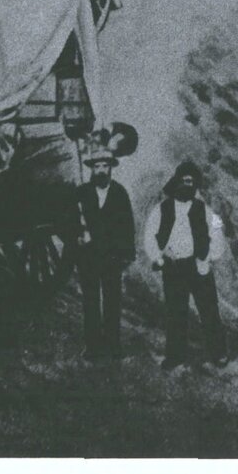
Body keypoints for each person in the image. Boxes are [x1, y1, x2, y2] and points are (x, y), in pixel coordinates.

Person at [145, 160, 227, 368]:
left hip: (198, 266)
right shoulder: (161, 209)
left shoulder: (205, 210)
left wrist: (206, 258)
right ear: (176, 182)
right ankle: (175, 356)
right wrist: (158, 257)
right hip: (173, 268)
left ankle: (218, 353)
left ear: (196, 185)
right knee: (175, 312)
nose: (187, 186)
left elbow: (218, 234)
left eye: (191, 182)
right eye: (184, 181)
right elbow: (149, 236)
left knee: (209, 311)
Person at [73, 143, 136, 358]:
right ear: (91, 169)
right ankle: (92, 347)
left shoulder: (119, 193)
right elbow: (69, 220)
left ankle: (112, 347)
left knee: (112, 302)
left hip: (111, 258)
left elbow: (128, 226)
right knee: (91, 303)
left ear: (111, 168)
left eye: (104, 166)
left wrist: (126, 255)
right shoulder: (82, 193)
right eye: (96, 166)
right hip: (88, 258)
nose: (100, 170)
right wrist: (79, 235)